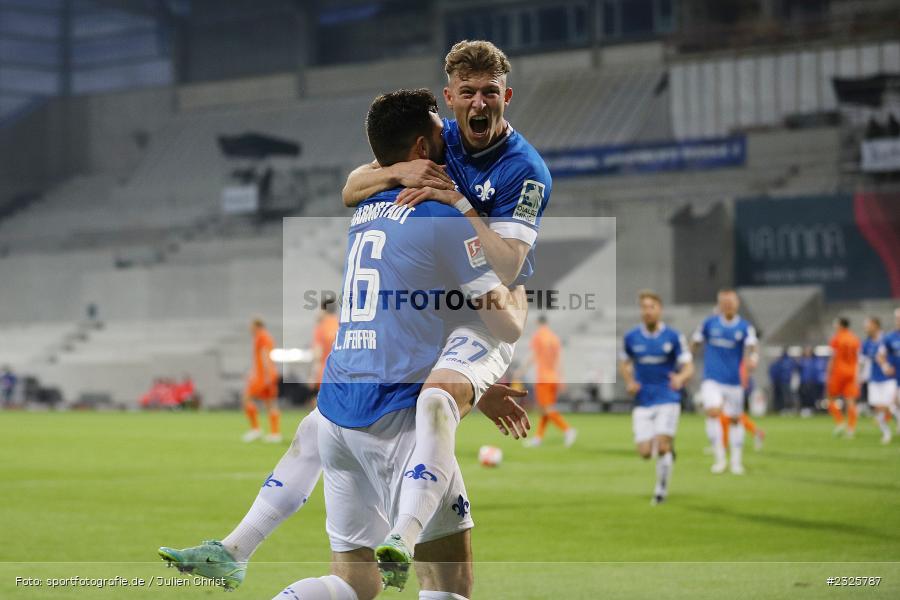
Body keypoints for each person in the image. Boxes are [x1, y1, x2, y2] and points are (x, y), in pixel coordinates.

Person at [158, 89, 531, 597]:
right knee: (450, 583)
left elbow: (412, 302)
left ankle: (236, 549)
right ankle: (403, 533)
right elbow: (505, 325)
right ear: (422, 148)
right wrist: (517, 281)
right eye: (438, 131)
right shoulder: (441, 217)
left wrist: (476, 388)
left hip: (337, 415)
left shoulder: (368, 207)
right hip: (396, 415)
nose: (448, 136)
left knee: (353, 583)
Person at [341, 40, 554, 582]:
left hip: (489, 311)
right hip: (433, 313)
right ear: (450, 98)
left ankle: (401, 537)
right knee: (327, 424)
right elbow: (351, 187)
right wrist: (400, 175)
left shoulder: (526, 170)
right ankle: (240, 545)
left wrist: (457, 203)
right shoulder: (440, 139)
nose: (479, 103)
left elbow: (508, 266)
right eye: (468, 93)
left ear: (506, 96)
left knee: (434, 400)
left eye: (490, 92)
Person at [619, 291, 693, 505]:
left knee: (661, 446)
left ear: (659, 309)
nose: (647, 311)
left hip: (667, 397)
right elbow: (624, 363)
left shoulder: (673, 337)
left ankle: (661, 490)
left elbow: (688, 366)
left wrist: (680, 378)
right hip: (643, 400)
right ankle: (668, 450)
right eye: (644, 307)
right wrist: (630, 381)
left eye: (651, 307)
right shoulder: (632, 337)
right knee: (644, 452)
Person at [691, 289, 759, 475]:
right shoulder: (708, 324)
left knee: (735, 420)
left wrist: (753, 358)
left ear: (737, 304)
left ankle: (736, 462)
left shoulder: (744, 327)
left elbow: (753, 346)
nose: (728, 305)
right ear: (719, 304)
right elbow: (695, 343)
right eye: (725, 302)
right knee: (713, 412)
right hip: (712, 379)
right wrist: (688, 361)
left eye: (731, 302)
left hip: (734, 381)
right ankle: (720, 459)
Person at [521, 314, 576, 447]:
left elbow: (534, 355)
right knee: (544, 409)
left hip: (543, 378)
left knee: (546, 408)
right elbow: (559, 360)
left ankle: (567, 430)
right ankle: (538, 438)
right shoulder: (554, 338)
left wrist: (522, 370)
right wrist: (561, 378)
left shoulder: (538, 336)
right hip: (553, 378)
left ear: (537, 322)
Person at [242, 318, 282, 443]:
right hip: (268, 374)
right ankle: (275, 433)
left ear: (256, 326)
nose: (249, 328)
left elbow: (264, 355)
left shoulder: (261, 336)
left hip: (263, 376)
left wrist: (265, 374)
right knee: (269, 403)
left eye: (251, 326)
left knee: (247, 398)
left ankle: (256, 429)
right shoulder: (267, 336)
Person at [826, 317, 860, 439]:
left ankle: (840, 422)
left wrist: (828, 372)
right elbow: (858, 357)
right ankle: (851, 429)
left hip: (838, 372)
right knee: (850, 401)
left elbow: (833, 357)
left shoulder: (837, 338)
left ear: (840, 325)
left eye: (836, 324)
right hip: (851, 372)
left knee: (830, 398)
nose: (834, 326)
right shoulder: (854, 339)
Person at [862, 316, 894, 444]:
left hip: (889, 378)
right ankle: (886, 433)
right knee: (877, 407)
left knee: (890, 404)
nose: (866, 328)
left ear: (875, 325)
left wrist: (888, 367)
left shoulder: (887, 339)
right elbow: (863, 361)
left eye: (868, 325)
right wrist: (860, 376)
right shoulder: (866, 343)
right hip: (874, 379)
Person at [309, 299, 339, 403]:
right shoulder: (342, 325)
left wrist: (312, 375)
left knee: (319, 403)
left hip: (324, 372)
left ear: (323, 309)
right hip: (339, 372)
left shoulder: (321, 327)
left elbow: (318, 354)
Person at [768, 348, 796, 414]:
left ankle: (789, 408)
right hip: (782, 382)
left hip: (787, 382)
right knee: (783, 396)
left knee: (788, 396)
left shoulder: (787, 361)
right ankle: (783, 408)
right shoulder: (781, 361)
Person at [798, 347, 820, 417]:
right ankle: (804, 409)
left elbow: (816, 372)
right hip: (803, 381)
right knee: (803, 395)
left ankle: (811, 409)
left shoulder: (814, 361)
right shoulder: (802, 361)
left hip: (812, 382)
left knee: (811, 396)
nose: (807, 352)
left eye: (808, 351)